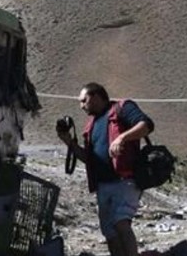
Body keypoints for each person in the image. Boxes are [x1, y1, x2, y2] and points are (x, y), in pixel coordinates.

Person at [56, 82, 154, 256]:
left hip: (125, 180)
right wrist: (68, 141)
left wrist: (122, 138)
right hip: (103, 184)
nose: (81, 106)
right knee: (109, 231)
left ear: (95, 96)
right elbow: (88, 159)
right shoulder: (91, 125)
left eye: (83, 100)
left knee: (121, 223)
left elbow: (146, 125)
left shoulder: (121, 108)